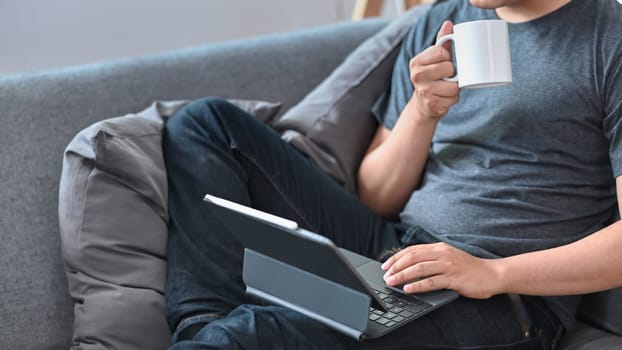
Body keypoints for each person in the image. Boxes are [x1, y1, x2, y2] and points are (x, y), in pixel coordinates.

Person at [162, 0, 622, 349]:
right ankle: (205, 329)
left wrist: (491, 273)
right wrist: (422, 112)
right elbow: (376, 195)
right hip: (394, 249)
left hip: (505, 300)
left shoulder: (609, 37)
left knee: (258, 334)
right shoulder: (440, 22)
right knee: (205, 124)